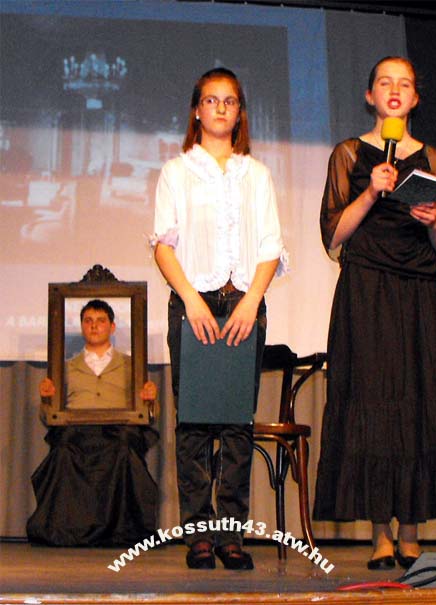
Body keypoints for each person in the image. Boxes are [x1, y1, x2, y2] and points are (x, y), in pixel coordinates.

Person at [313, 57, 436, 570]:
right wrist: (371, 191)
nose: (395, 90)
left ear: (415, 98)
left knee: (420, 404)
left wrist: (432, 221)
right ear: (370, 95)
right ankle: (380, 534)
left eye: (404, 84)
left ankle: (411, 531)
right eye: (385, 83)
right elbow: (333, 236)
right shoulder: (349, 153)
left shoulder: (432, 158)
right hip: (367, 290)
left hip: (419, 292)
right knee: (373, 403)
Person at [152, 67, 287, 570]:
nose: (221, 108)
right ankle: (198, 536)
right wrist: (190, 298)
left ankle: (231, 534)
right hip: (194, 303)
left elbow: (271, 246)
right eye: (211, 100)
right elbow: (163, 245)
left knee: (235, 424)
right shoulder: (177, 171)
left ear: (239, 112)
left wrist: (252, 300)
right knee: (192, 423)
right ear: (196, 110)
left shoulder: (257, 174)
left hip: (244, 305)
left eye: (229, 101)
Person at [27, 299, 159, 547]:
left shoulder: (132, 365)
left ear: (112, 326)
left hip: (118, 431)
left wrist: (150, 401)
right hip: (77, 432)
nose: (94, 326)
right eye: (88, 321)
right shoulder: (65, 368)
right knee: (63, 449)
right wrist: (46, 400)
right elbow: (48, 417)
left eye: (100, 321)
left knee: (124, 447)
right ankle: (66, 528)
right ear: (82, 327)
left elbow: (150, 415)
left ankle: (121, 529)